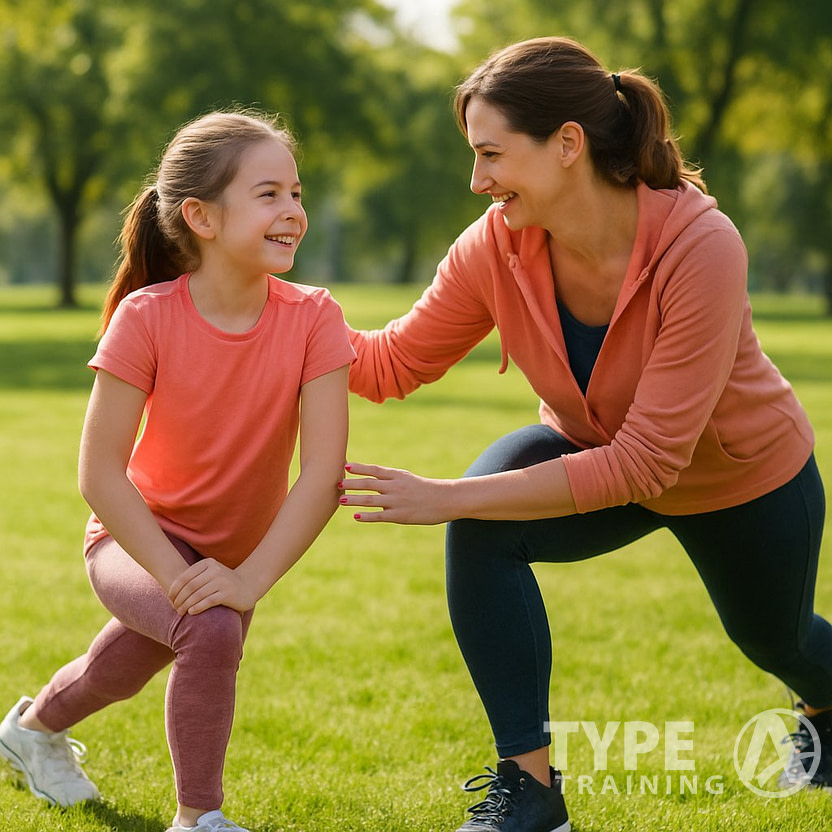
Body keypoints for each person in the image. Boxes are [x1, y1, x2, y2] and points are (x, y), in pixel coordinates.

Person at [340, 37, 832, 832]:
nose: (478, 181)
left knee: (777, 641)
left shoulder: (701, 246)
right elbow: (391, 362)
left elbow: (647, 461)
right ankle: (530, 794)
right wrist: (274, 308)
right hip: (590, 450)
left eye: (492, 154)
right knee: (483, 524)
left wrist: (446, 493)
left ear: (568, 144)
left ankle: (827, 707)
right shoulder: (495, 246)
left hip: (741, 478)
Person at [0, 111, 354, 832]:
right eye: (268, 194)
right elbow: (101, 474)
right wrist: (175, 575)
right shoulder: (147, 317)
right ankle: (199, 819)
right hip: (135, 539)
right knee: (211, 629)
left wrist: (248, 577)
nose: (293, 212)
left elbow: (322, 472)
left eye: (296, 191)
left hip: (234, 555)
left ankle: (30, 732)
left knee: (123, 668)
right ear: (201, 216)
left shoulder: (316, 317)